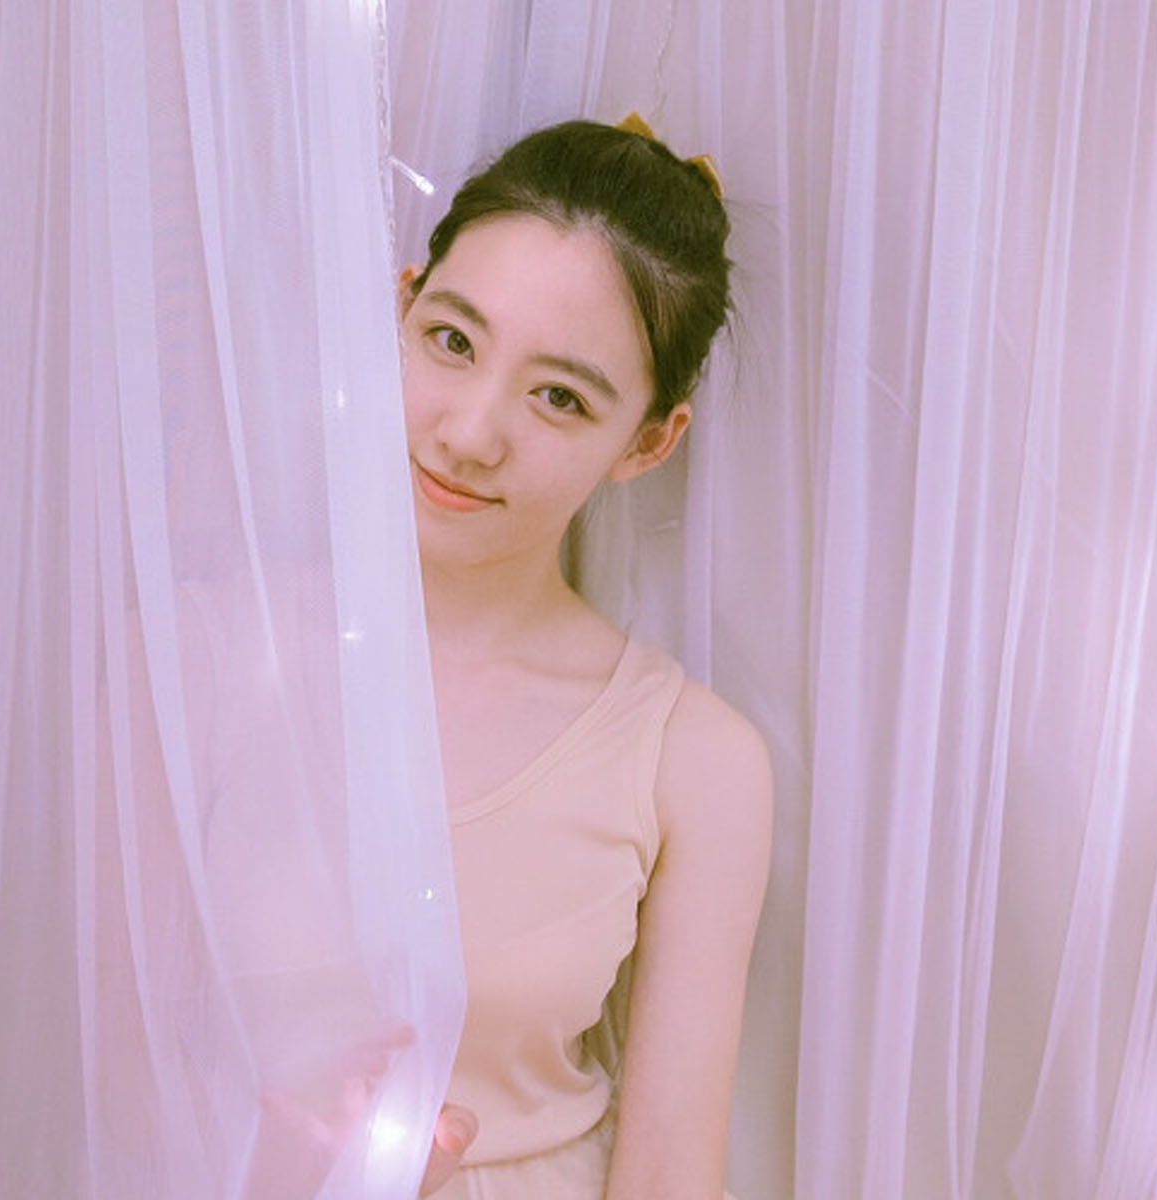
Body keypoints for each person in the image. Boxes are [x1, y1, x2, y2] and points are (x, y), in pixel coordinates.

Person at [398, 119, 774, 1198]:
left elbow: (670, 1171)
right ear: (401, 306)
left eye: (559, 397)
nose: (470, 434)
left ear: (650, 442)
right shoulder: (189, 663)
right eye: (452, 341)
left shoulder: (693, 760)